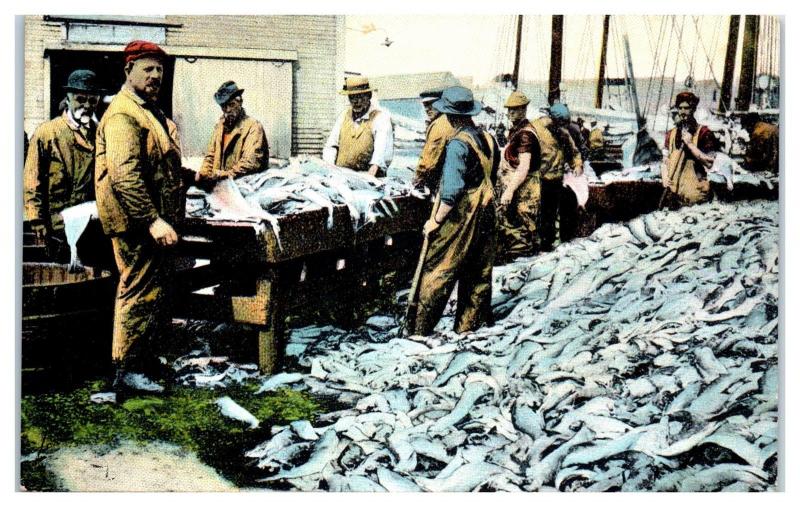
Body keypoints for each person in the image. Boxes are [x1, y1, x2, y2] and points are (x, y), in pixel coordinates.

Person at [95, 40, 189, 395]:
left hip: (148, 222)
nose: (155, 76)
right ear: (128, 71)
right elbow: (124, 175)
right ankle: (127, 370)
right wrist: (152, 220)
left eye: (159, 70)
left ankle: (144, 361)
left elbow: (158, 165)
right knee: (137, 292)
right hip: (135, 224)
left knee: (153, 292)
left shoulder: (149, 111)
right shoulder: (124, 114)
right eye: (147, 69)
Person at [409, 86, 500, 336]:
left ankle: (420, 329)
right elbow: (492, 175)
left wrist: (435, 222)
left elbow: (450, 193)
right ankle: (469, 327)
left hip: (463, 214)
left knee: (439, 269)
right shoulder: (489, 139)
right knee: (478, 272)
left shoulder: (458, 145)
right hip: (487, 211)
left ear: (450, 116)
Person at [24, 69, 102, 261]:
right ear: (68, 99)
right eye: (80, 99)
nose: (86, 106)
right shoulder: (47, 133)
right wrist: (36, 219)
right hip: (58, 226)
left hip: (93, 225)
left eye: (92, 101)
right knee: (63, 276)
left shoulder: (100, 134)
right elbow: (32, 179)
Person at [494, 90, 542, 261]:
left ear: (523, 110)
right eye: (509, 110)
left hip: (524, 189)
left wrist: (509, 190)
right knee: (512, 226)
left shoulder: (525, 135)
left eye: (514, 110)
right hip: (516, 186)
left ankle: (523, 263)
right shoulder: (517, 130)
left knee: (523, 225)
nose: (510, 113)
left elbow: (523, 167)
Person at [196, 81, 269, 184]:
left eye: (231, 104)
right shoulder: (219, 127)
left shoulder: (253, 127)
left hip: (245, 189)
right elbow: (210, 157)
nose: (228, 110)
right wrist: (204, 176)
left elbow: (249, 164)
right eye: (224, 106)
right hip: (221, 187)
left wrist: (221, 175)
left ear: (240, 102)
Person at [534, 102, 583, 251]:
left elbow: (574, 152)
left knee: (551, 213)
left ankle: (548, 244)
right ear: (553, 119)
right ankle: (540, 245)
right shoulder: (535, 130)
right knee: (539, 215)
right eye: (560, 124)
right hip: (538, 181)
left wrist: (577, 165)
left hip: (556, 180)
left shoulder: (563, 133)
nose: (562, 128)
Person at [323, 76, 394, 177]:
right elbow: (331, 145)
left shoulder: (380, 118)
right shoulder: (344, 115)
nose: (356, 101)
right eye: (352, 97)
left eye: (360, 96)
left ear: (369, 95)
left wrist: (373, 171)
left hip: (369, 177)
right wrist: (330, 167)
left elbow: (381, 150)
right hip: (341, 176)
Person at [659, 91, 719, 209]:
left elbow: (709, 163)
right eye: (680, 108)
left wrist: (690, 144)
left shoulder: (704, 133)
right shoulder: (671, 134)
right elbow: (665, 161)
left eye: (686, 108)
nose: (682, 112)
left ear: (693, 109)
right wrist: (664, 176)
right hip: (674, 196)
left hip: (695, 199)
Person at [412, 88, 456, 193]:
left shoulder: (439, 125)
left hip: (443, 185)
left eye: (431, 104)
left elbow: (428, 163)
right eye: (425, 105)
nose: (427, 109)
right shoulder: (450, 120)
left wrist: (416, 181)